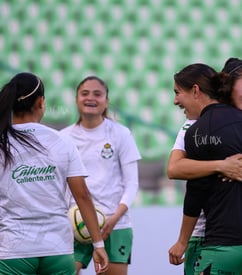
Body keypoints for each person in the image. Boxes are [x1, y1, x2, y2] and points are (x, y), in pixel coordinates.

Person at [167, 58, 242, 275]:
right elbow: (175, 168)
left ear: (195, 91)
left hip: (219, 236)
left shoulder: (199, 128)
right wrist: (223, 165)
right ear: (229, 86)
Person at [0, 72, 109, 275]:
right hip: (58, 249)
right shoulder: (62, 141)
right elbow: (82, 195)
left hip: (13, 251)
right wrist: (98, 244)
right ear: (41, 102)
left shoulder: (3, 141)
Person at [61, 76, 141, 275]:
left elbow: (132, 183)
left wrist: (113, 218)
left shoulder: (121, 134)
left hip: (114, 225)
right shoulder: (63, 138)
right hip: (74, 224)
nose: (91, 98)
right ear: (76, 99)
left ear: (106, 100)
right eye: (85, 93)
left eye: (98, 94)